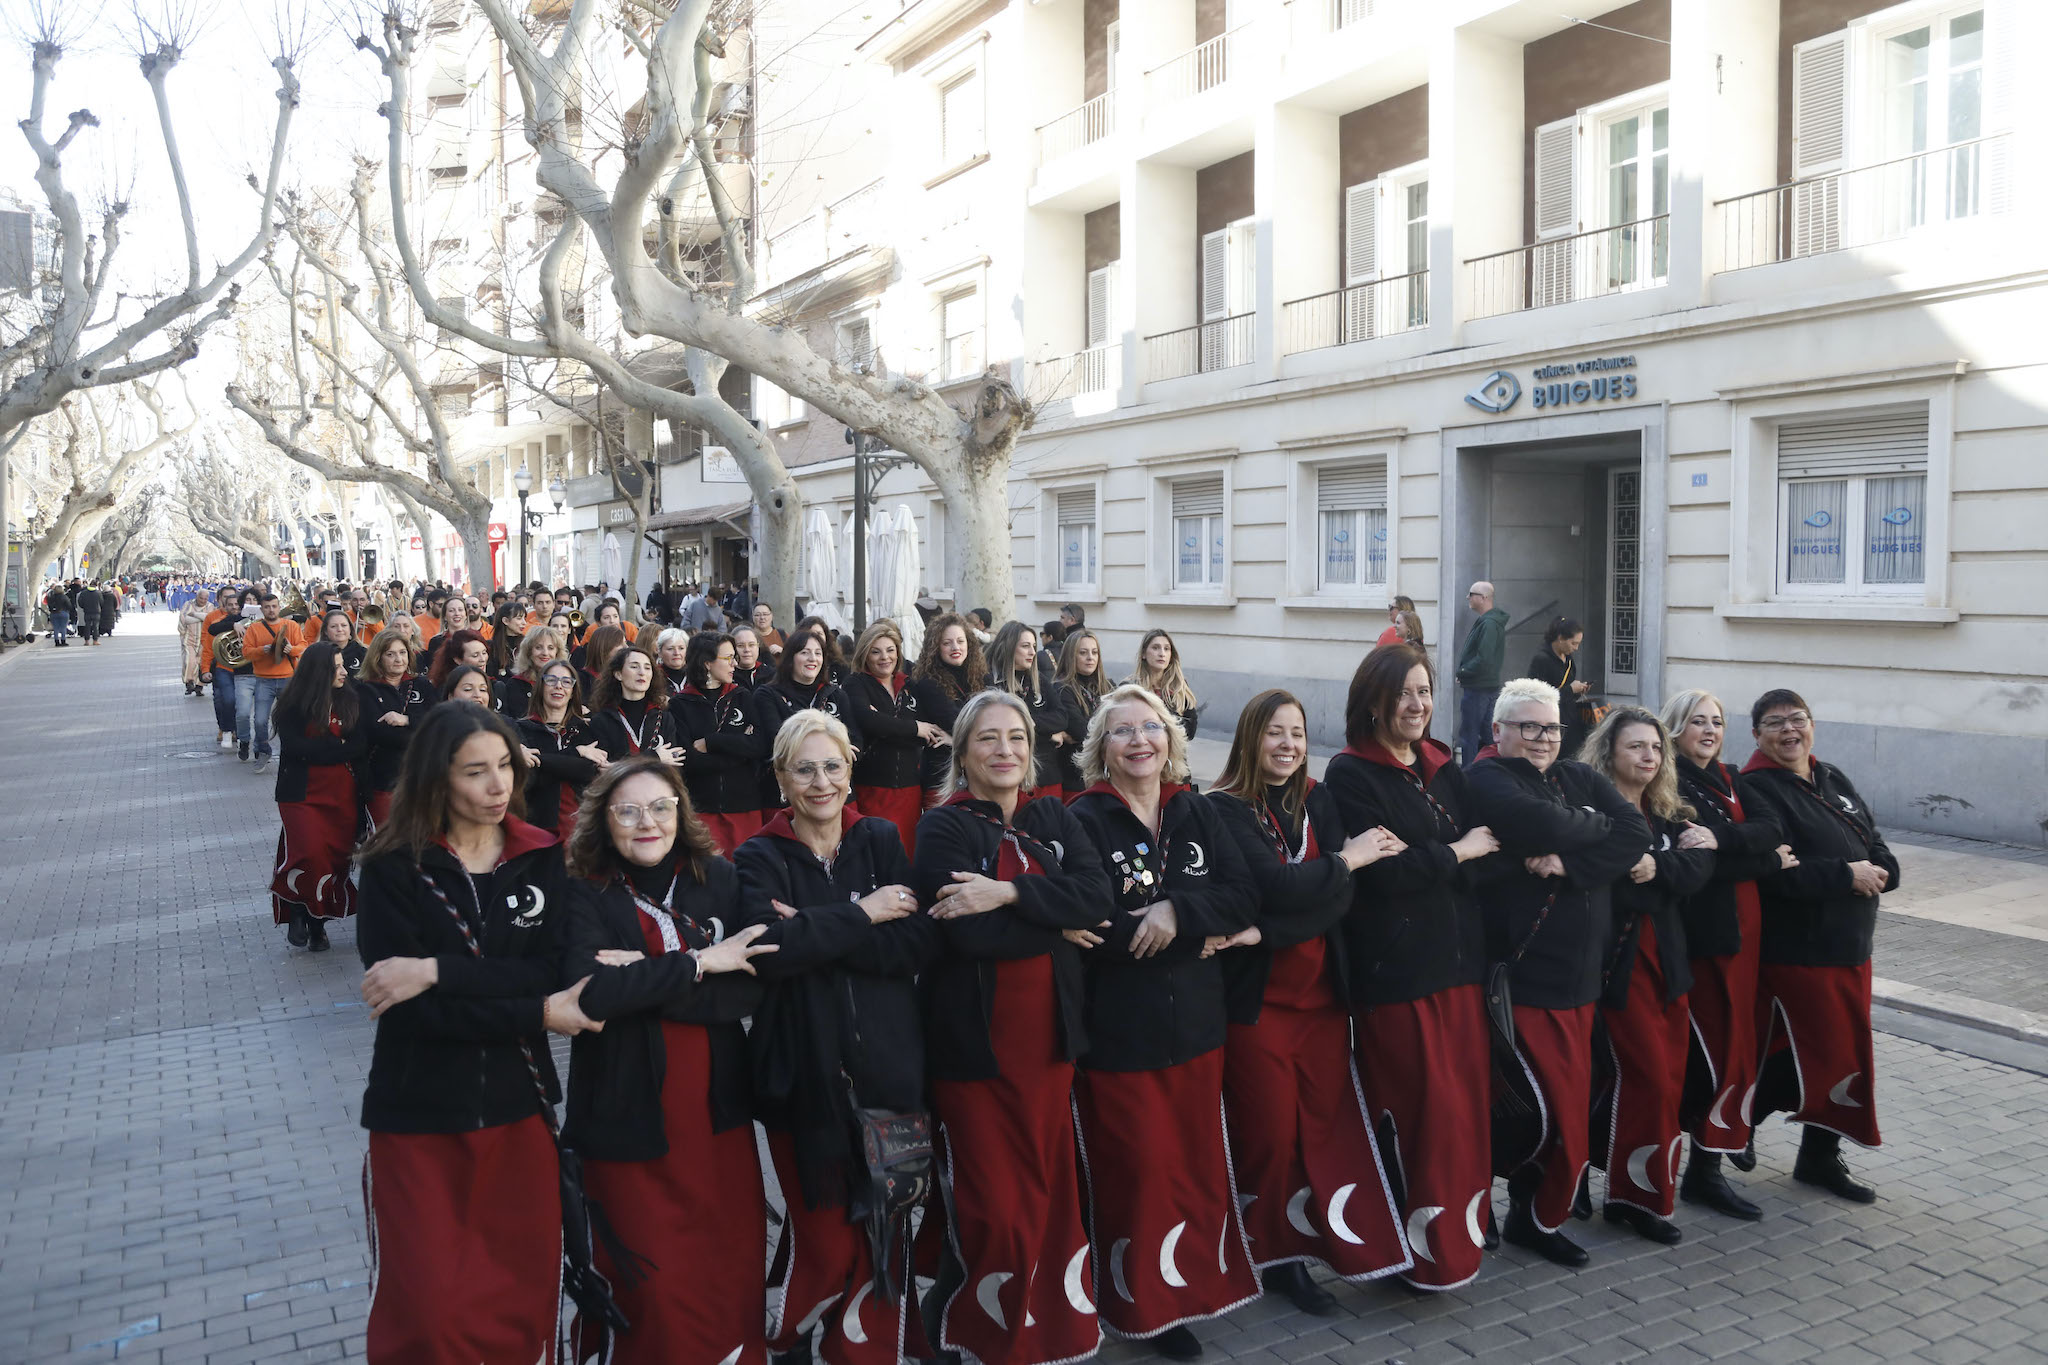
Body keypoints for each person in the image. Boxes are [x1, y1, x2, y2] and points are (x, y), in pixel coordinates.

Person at [353, 702, 601, 1364]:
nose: (497, 786)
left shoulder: (544, 857)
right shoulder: (389, 866)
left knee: (519, 1304)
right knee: (429, 1317)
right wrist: (531, 1008)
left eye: (505, 767)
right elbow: (411, 1013)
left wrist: (435, 969)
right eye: (475, 772)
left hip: (519, 1110)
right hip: (417, 1119)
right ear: (437, 777)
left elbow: (549, 974)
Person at [912, 690, 1112, 1365]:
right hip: (976, 1049)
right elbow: (966, 935)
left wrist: (1008, 893)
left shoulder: (1053, 811)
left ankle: (1041, 1321)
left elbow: (1098, 895)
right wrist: (1055, 924)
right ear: (964, 752)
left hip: (1050, 1045)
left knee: (1043, 1192)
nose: (1005, 750)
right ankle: (956, 1315)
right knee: (991, 1201)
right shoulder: (942, 825)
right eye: (989, 739)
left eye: (1017, 738)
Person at [560, 755, 777, 1363]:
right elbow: (590, 995)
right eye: (627, 811)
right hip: (625, 1120)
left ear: (681, 812)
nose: (646, 822)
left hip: (716, 1120)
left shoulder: (720, 878)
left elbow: (753, 984)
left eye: (660, 807)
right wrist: (699, 964)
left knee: (726, 1270)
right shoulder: (582, 888)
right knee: (649, 1285)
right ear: (604, 819)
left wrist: (644, 980)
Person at [737, 710, 939, 1365]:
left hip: (890, 1072)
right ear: (781, 777)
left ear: (851, 771)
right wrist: (862, 914)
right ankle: (792, 1329)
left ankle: (867, 1349)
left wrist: (820, 932)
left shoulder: (880, 838)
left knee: (887, 1228)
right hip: (803, 1082)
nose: (820, 781)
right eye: (805, 768)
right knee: (825, 1241)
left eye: (832, 765)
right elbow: (771, 951)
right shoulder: (757, 855)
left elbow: (913, 942)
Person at [1066, 684, 1260, 1360]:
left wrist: (1178, 913)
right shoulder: (1081, 820)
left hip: (1200, 1028)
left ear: (1171, 740)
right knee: (1139, 1170)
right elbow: (1091, 925)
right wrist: (1195, 931)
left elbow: (1242, 895)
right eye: (1123, 731)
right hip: (1120, 1033)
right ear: (1103, 748)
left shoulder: (1198, 811)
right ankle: (1135, 1301)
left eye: (1151, 727)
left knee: (1191, 1168)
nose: (1140, 740)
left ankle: (1184, 1290)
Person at [1204, 689, 1410, 1310]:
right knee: (1268, 1132)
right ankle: (1276, 1257)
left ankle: (1332, 1244)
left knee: (1319, 1130)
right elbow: (1272, 886)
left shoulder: (1317, 798)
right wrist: (1346, 860)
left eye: (1296, 732)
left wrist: (1269, 927)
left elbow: (1335, 900)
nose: (1289, 745)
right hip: (1259, 1005)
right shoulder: (1219, 809)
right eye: (1274, 733)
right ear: (1249, 738)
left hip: (1323, 999)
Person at [1323, 644, 1501, 1292]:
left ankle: (1465, 1231)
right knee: (1419, 1115)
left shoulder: (1443, 765)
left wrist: (1450, 856)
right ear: (1373, 701)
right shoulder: (1350, 774)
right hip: (1398, 976)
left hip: (1461, 967)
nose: (1416, 704)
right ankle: (1411, 1246)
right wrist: (1455, 852)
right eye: (1402, 693)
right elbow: (1383, 877)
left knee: (1462, 1114)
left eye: (1424, 691)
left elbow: (1481, 847)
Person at [1463, 678, 1647, 1269]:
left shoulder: (1578, 777)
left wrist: (1568, 861)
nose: (1543, 739)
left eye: (1552, 728)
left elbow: (1637, 833)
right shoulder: (1488, 776)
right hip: (1526, 980)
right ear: (1499, 731)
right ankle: (1489, 1207)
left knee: (1570, 1112)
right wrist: (1591, 827)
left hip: (1584, 979)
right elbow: (1537, 825)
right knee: (1533, 1110)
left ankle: (1533, 1216)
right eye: (1529, 727)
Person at [1738, 689, 1898, 1203]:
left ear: (1812, 725)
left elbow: (1872, 839)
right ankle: (1725, 1134)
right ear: (1757, 734)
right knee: (1792, 1055)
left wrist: (1881, 870)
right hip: (1798, 953)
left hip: (1850, 947)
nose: (1790, 731)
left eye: (1798, 720)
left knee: (1840, 1057)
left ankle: (1818, 1156)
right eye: (1775, 723)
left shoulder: (1832, 777)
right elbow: (1773, 874)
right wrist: (1844, 876)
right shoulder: (1756, 788)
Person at [1580, 707, 1714, 1245]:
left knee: (1669, 1082)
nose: (1649, 757)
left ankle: (1633, 1191)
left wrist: (1659, 868)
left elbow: (1700, 869)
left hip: (1670, 967)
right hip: (1621, 966)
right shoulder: (1593, 812)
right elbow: (1613, 882)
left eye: (1656, 749)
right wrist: (1664, 874)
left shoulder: (1667, 816)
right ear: (1609, 752)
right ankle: (1635, 1197)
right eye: (1636, 746)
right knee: (1647, 1082)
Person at [1660, 688, 1791, 1221]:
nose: (1710, 731)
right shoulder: (1671, 783)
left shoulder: (1732, 776)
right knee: (1710, 1055)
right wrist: (1761, 860)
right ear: (1676, 729)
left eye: (1717, 721)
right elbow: (1699, 862)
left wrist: (1722, 841)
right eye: (1698, 722)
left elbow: (1773, 829)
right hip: (1706, 940)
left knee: (1739, 1049)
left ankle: (1712, 1159)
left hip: (1747, 940)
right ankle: (1696, 1170)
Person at [271, 642, 371, 952]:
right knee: (309, 852)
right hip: (300, 795)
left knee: (334, 860)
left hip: (341, 794)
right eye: (337, 667)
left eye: (343, 665)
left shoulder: (351, 699)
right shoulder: (291, 706)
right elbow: (297, 749)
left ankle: (317, 925)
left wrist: (332, 752)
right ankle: (299, 910)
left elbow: (360, 745)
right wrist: (337, 751)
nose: (344, 671)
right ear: (319, 672)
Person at [843, 620, 944, 858]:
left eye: (890, 650)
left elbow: (925, 731)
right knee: (875, 855)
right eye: (875, 651)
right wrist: (913, 728)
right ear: (865, 655)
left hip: (910, 789)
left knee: (906, 855)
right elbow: (868, 721)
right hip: (872, 788)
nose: (884, 657)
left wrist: (887, 725)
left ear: (898, 652)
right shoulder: (855, 683)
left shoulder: (911, 684)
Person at [667, 631, 770, 855]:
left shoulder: (742, 697)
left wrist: (713, 742)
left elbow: (760, 746)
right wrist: (739, 750)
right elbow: (688, 759)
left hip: (745, 806)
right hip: (701, 808)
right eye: (728, 658)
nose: (735, 663)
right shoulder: (680, 704)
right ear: (707, 663)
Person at [356, 629, 431, 833]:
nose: (399, 659)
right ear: (378, 657)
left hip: (422, 779)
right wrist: (421, 732)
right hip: (383, 780)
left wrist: (407, 720)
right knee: (387, 842)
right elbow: (381, 733)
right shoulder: (365, 689)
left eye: (402, 653)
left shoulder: (422, 685)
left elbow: (438, 721)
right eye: (390, 654)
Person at [908, 613, 987, 808]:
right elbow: (954, 720)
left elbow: (993, 720)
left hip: (978, 773)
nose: (955, 647)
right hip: (942, 776)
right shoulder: (928, 682)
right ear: (936, 648)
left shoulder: (981, 676)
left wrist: (954, 741)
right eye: (947, 643)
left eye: (960, 641)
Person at [986, 620, 1070, 793]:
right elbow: (1001, 725)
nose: (1033, 652)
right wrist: (1046, 732)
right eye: (1025, 646)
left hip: (1047, 774)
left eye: (1034, 645)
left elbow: (1062, 718)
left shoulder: (1039, 680)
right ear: (1008, 647)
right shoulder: (991, 682)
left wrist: (1030, 723)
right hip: (1011, 776)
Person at [240, 593, 299, 772]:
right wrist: (261, 650)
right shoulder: (254, 628)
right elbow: (246, 652)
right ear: (262, 609)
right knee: (259, 720)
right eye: (267, 607)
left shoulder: (291, 625)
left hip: (288, 678)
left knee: (290, 719)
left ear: (279, 606)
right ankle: (263, 750)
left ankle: (291, 753)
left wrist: (292, 649)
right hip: (263, 680)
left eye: (274, 606)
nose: (271, 610)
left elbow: (304, 646)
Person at [1454, 582, 1508, 765]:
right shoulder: (1490, 622)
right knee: (1488, 735)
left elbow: (1484, 659)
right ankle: (1494, 771)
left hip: (1478, 688)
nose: (1468, 597)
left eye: (1471, 594)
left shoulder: (1489, 623)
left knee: (1470, 735)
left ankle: (1468, 777)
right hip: (1484, 687)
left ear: (1484, 598)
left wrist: (1462, 672)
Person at [1527, 618, 1593, 758]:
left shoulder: (1568, 659)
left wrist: (1578, 690)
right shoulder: (1541, 660)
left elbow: (1567, 691)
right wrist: (1570, 690)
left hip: (1570, 720)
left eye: (1578, 644)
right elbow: (1537, 697)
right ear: (1560, 638)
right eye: (1573, 643)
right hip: (1550, 722)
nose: (1576, 648)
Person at [1054, 630, 1107, 796]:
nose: (1090, 657)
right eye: (1083, 653)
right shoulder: (1062, 688)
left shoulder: (1107, 687)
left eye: (1094, 652)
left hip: (1105, 775)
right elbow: (1082, 731)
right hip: (1075, 779)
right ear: (1071, 656)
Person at [1126, 629, 1200, 742]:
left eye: (1166, 649)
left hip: (1174, 756)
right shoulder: (1131, 687)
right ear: (1144, 654)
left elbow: (1190, 731)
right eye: (1155, 648)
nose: (1162, 654)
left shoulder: (1179, 686)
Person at [498, 626, 567, 720]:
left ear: (557, 653)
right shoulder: (516, 684)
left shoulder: (566, 683)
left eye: (551, 648)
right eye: (538, 647)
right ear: (529, 652)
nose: (545, 653)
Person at [315, 609, 368, 676]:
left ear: (350, 629)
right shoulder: (317, 654)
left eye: (344, 625)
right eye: (333, 626)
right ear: (325, 631)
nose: (339, 629)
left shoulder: (364, 653)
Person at [178, 590, 211, 694]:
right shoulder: (188, 604)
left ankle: (199, 686)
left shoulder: (210, 606)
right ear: (197, 597)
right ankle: (189, 682)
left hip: (203, 640)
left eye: (205, 599)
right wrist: (201, 617)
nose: (203, 601)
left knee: (200, 662)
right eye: (201, 598)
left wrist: (194, 615)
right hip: (190, 638)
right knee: (189, 661)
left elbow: (209, 618)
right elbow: (184, 619)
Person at [76, 578, 103, 645]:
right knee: (95, 627)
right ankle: (95, 640)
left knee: (87, 626)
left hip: (87, 612)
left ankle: (87, 641)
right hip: (96, 612)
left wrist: (84, 607)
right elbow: (102, 602)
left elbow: (80, 602)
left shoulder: (84, 593)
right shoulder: (98, 593)